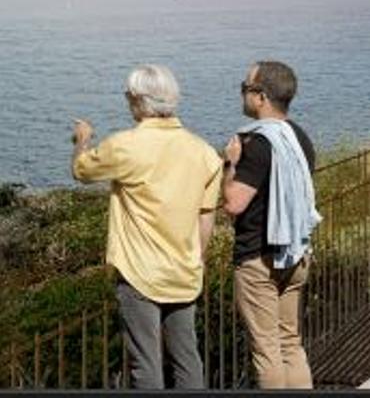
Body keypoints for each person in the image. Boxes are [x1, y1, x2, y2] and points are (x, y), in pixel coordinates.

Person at [71, 64, 222, 389]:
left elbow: (82, 171)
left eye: (128, 96)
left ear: (138, 100)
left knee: (146, 364)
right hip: (184, 270)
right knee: (187, 359)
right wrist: (197, 258)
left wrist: (82, 141)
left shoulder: (125, 145)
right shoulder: (205, 153)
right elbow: (206, 216)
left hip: (139, 272)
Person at [222, 61, 321, 389]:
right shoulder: (299, 138)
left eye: (244, 88)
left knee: (266, 351)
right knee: (290, 344)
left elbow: (234, 203)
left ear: (261, 96)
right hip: (295, 253)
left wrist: (230, 165)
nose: (242, 95)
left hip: (259, 260)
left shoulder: (257, 143)